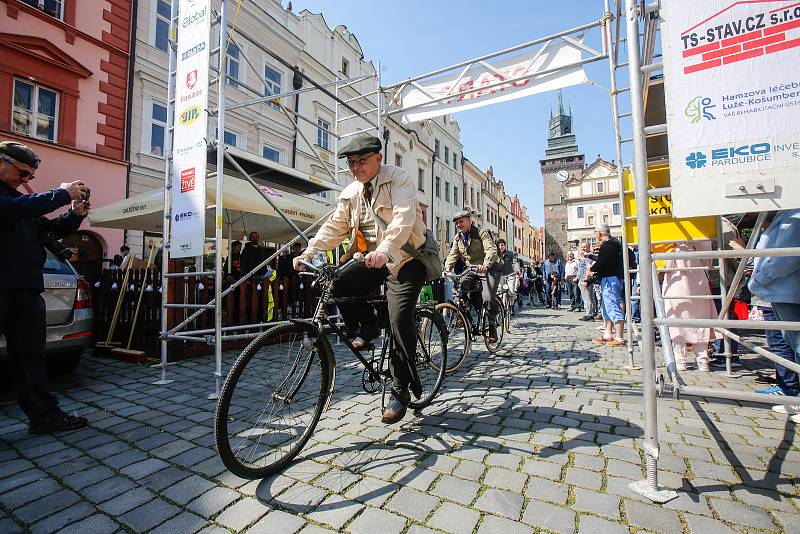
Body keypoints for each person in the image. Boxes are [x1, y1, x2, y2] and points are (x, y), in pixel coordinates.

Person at [294, 135, 427, 424]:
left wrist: (385, 250)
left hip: (405, 257)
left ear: (378, 158)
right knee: (337, 280)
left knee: (399, 316)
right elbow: (335, 227)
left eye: (361, 161)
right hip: (372, 257)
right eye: (351, 163)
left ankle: (400, 388)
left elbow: (403, 219)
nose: (356, 167)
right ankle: (366, 325)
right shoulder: (351, 192)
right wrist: (311, 250)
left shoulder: (399, 178)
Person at [0, 140, 90, 433]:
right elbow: (16, 209)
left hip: (26, 288)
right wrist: (61, 194)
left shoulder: (18, 202)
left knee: (30, 358)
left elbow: (48, 229)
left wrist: (74, 213)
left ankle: (44, 416)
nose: (25, 181)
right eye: (23, 174)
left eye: (30, 177)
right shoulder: (11, 203)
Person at [748, 209, 800, 422]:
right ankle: (793, 397)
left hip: (787, 289)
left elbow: (787, 256)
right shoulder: (788, 214)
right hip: (781, 290)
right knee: (789, 344)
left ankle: (793, 395)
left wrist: (759, 279)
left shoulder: (794, 216)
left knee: (797, 345)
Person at [444, 210, 500, 342]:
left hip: (488, 268)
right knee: (458, 289)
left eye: (461, 221)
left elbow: (491, 250)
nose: (458, 224)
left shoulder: (481, 233)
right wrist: (446, 268)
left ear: (470, 221)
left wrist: (486, 265)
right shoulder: (458, 238)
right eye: (457, 223)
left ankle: (492, 325)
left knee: (488, 297)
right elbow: (453, 255)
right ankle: (462, 317)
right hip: (471, 269)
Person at [661, 241, 717, 371]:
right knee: (700, 322)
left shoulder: (669, 239)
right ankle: (703, 360)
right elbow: (708, 260)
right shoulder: (700, 236)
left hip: (675, 285)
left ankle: (680, 360)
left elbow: (665, 265)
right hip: (698, 282)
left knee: (677, 323)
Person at [588, 224, 626, 346]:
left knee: (613, 305)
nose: (595, 236)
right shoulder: (611, 245)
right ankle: (608, 334)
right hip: (608, 278)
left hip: (610, 279)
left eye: (595, 233)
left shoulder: (609, 246)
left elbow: (602, 263)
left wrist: (592, 269)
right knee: (606, 307)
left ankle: (619, 337)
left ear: (599, 233)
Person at [577, 242, 596, 321]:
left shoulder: (588, 257)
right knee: (589, 297)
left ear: (589, 247)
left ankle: (589, 314)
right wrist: (578, 277)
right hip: (582, 279)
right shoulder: (584, 257)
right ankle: (592, 313)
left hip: (585, 280)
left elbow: (589, 268)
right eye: (582, 247)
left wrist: (585, 279)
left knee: (587, 298)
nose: (583, 249)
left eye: (585, 247)